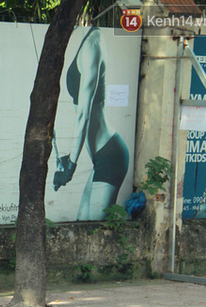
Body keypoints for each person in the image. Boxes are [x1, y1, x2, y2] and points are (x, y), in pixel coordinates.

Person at [53, 27, 129, 220]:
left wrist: (71, 164)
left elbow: (83, 115)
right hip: (101, 157)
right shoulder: (89, 39)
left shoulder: (92, 46)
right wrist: (70, 156)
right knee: (81, 224)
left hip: (111, 157)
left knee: (94, 230)